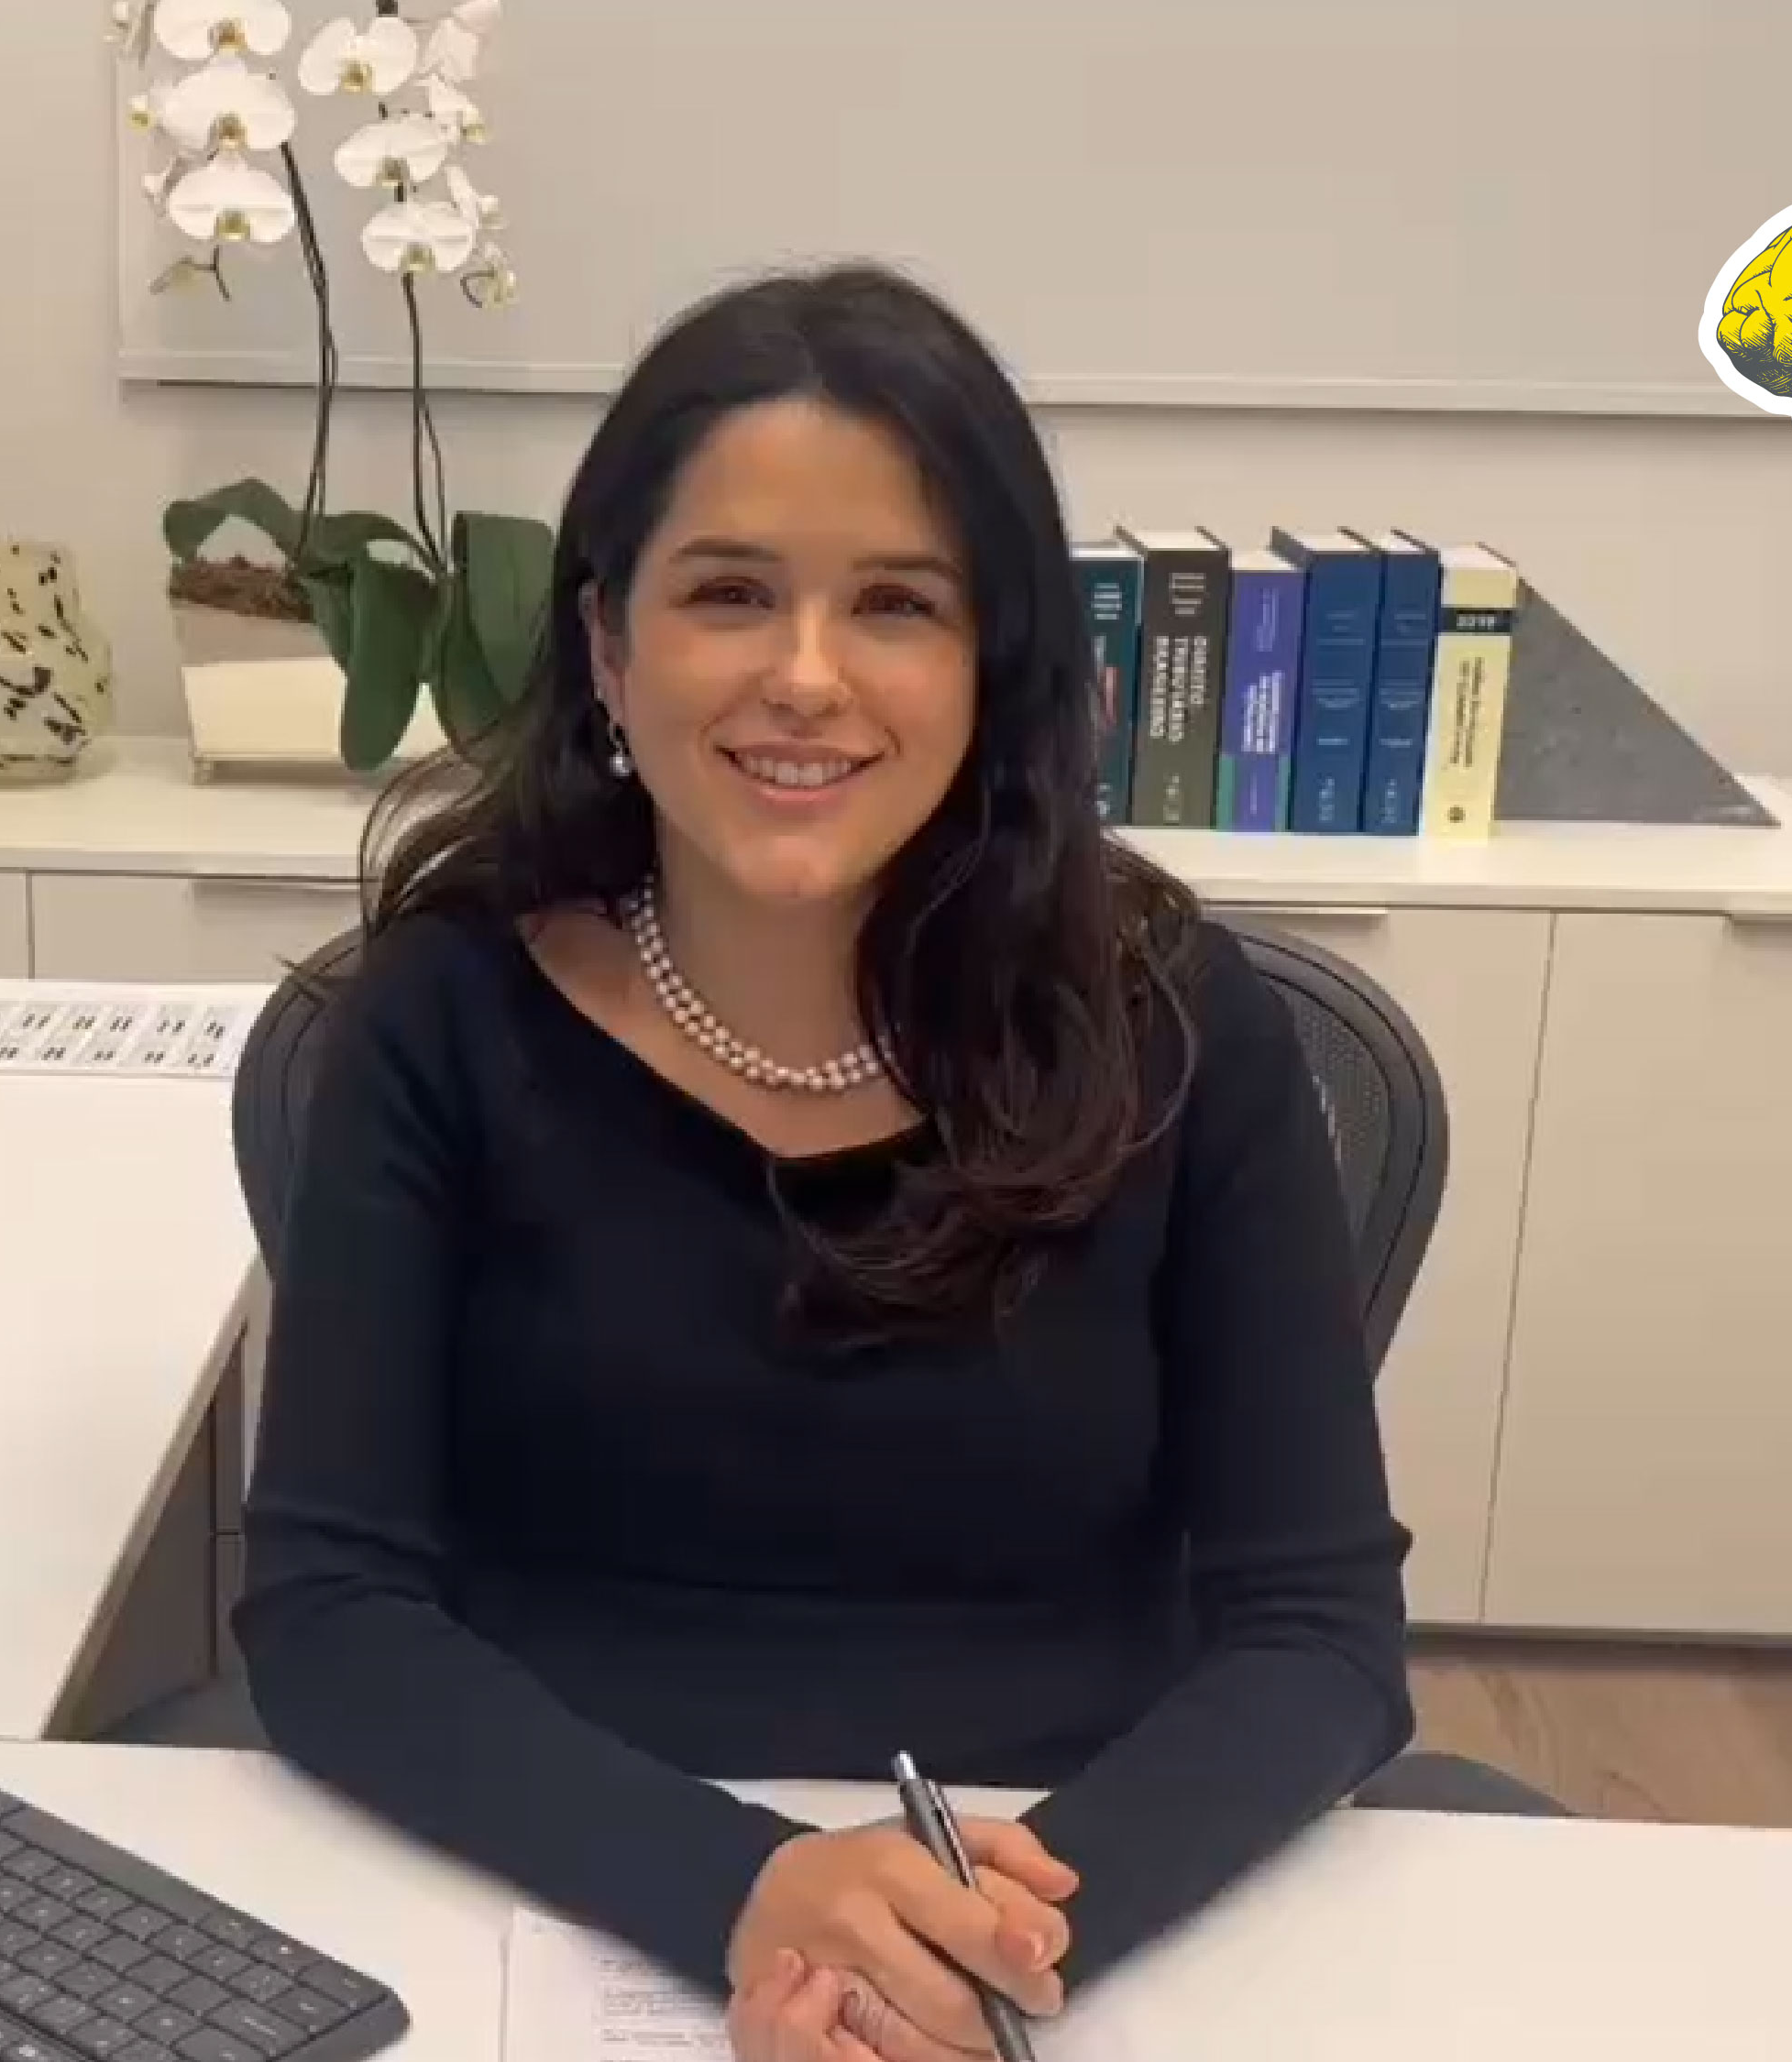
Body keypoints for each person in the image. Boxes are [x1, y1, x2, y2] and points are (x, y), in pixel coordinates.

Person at [229, 261, 1477, 2062]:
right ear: (604, 644)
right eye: (727, 594)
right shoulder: (439, 1015)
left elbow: (1319, 1635)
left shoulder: (1176, 1020)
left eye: (894, 604)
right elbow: (330, 1616)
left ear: (992, 662)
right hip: (540, 1892)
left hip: (1066, 1910)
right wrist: (734, 1887)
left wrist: (981, 1943)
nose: (803, 678)